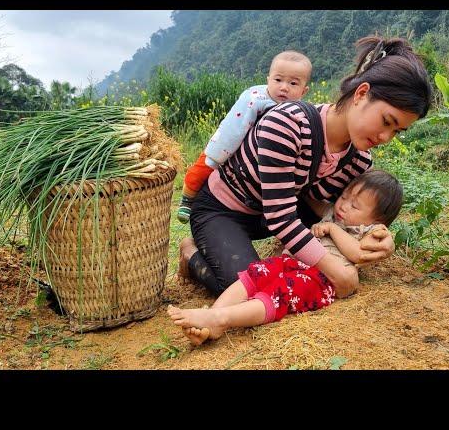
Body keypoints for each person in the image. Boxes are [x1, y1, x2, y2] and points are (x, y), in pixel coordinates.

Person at [178, 35, 433, 302]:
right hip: (224, 209)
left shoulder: (359, 160)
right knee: (251, 291)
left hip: (270, 215)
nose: (385, 137)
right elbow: (281, 216)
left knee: (293, 275)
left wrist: (377, 234)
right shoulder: (288, 124)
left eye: (396, 131)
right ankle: (192, 254)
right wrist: (336, 271)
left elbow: (334, 213)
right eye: (386, 121)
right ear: (361, 94)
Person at [169, 169, 403, 345]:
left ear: (376, 220)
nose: (344, 205)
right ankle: (212, 318)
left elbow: (356, 254)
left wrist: (333, 229)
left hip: (319, 280)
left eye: (355, 205)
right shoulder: (333, 211)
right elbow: (309, 198)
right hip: (290, 261)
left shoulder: (366, 232)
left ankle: (222, 318)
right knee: (253, 275)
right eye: (345, 196)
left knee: (278, 293)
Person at [176, 50, 312, 223]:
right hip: (231, 145)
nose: (284, 87)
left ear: (304, 91)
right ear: (268, 79)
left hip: (259, 159)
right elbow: (233, 128)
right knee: (203, 168)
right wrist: (220, 152)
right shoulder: (256, 99)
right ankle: (187, 199)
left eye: (293, 83)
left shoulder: (299, 113)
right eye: (278, 80)